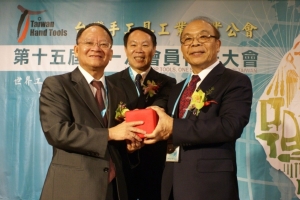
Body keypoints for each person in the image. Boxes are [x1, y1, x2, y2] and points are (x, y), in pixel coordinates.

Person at [144, 16, 253, 200]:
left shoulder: (235, 81)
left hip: (209, 186)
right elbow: (171, 134)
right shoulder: (179, 88)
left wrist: (173, 127)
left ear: (217, 44)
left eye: (203, 37)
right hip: (172, 183)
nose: (194, 43)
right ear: (182, 48)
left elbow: (230, 126)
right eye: (187, 39)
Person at [39, 23, 145, 200]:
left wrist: (129, 148)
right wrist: (110, 134)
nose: (96, 48)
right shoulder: (57, 85)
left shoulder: (118, 91)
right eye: (89, 43)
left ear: (111, 54)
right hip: (73, 188)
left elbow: (117, 140)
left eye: (103, 44)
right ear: (76, 49)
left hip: (114, 188)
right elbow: (57, 131)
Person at [107, 27, 176, 200]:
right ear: (125, 50)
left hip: (155, 164)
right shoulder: (110, 82)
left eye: (145, 45)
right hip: (122, 164)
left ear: (153, 49)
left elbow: (161, 108)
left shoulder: (167, 82)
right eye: (133, 44)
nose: (139, 50)